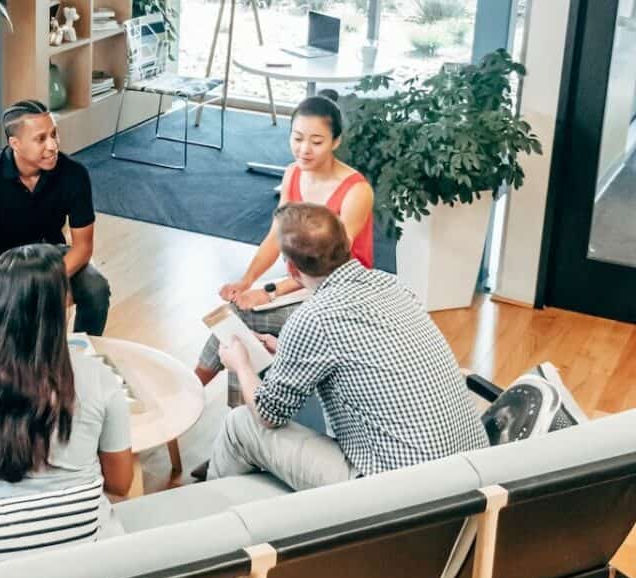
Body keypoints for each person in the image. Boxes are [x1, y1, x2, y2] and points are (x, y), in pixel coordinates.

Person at [204, 203, 489, 490]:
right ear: (347, 243)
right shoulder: (394, 285)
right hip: (470, 475)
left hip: (399, 492)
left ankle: (214, 522)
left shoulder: (314, 317)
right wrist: (285, 349)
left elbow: (268, 415)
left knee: (240, 425)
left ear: (292, 270)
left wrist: (240, 364)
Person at [0, 244, 135, 536]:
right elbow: (120, 483)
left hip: (4, 549)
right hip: (89, 550)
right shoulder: (99, 378)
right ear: (61, 305)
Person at [195, 91, 375, 394]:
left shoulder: (357, 191)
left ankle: (197, 391)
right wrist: (246, 281)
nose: (304, 149)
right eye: (297, 138)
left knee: (243, 318)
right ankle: (233, 412)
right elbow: (276, 236)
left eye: (316, 142)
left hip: (340, 294)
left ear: (336, 142)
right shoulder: (292, 174)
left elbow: (329, 266)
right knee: (238, 313)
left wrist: (269, 291)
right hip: (303, 285)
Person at [0, 99, 110, 347]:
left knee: (96, 289)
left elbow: (83, 247)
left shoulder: (74, 174)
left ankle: (84, 357)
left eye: (54, 134)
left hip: (49, 254)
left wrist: (49, 279)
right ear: (14, 143)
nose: (52, 145)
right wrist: (17, 282)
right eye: (40, 139)